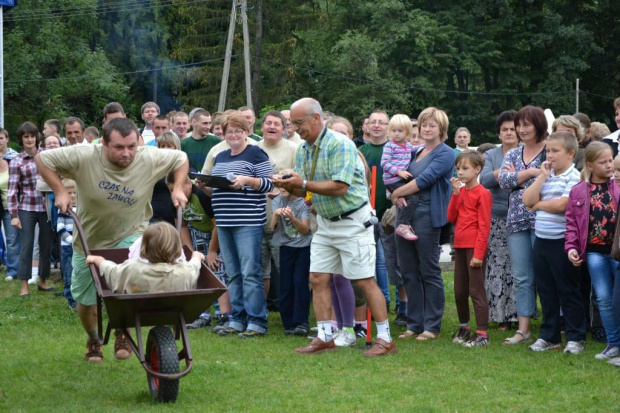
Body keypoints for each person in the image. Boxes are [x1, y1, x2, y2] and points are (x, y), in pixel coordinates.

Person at [36, 117, 189, 363]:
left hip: (132, 234)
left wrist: (179, 187)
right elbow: (42, 159)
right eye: (119, 147)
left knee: (128, 289)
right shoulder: (85, 155)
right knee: (86, 300)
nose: (127, 153)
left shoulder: (148, 157)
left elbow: (180, 159)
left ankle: (122, 331)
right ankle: (94, 338)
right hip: (88, 238)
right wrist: (60, 190)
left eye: (131, 146)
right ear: (103, 144)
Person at [274, 97, 396, 357]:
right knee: (317, 278)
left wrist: (303, 184)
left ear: (316, 118)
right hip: (326, 223)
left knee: (364, 281)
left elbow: (340, 186)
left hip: (352, 221)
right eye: (292, 124)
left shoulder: (340, 144)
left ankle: (385, 339)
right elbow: (302, 186)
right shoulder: (304, 149)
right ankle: (325, 336)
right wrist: (283, 184)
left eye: (299, 122)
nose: (294, 129)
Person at [206, 112, 274, 339]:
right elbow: (215, 188)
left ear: (246, 132)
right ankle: (237, 318)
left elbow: (270, 185)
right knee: (232, 273)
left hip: (248, 222)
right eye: (229, 131)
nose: (233, 135)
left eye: (238, 130)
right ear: (223, 134)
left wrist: (247, 180)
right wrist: (205, 184)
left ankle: (257, 320)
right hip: (224, 221)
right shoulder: (221, 156)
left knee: (250, 273)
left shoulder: (256, 153)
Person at [391, 107, 455, 341]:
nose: (427, 129)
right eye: (423, 125)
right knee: (408, 271)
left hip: (427, 216)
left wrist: (396, 192)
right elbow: (401, 176)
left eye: (432, 126)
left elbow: (424, 180)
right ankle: (413, 323)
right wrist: (397, 194)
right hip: (404, 216)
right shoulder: (415, 151)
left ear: (441, 130)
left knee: (428, 270)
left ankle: (432, 325)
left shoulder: (445, 153)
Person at [522, 131, 585, 353]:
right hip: (542, 240)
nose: (550, 155)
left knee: (568, 290)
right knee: (546, 290)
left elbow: (563, 205)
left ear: (570, 153)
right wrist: (541, 177)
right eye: (548, 150)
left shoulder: (575, 177)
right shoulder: (546, 175)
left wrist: (538, 205)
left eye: (555, 151)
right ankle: (549, 336)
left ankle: (576, 337)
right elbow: (526, 199)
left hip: (563, 242)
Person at [565, 141, 620, 360]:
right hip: (594, 253)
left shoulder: (618, 187)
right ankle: (613, 343)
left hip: (617, 252)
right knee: (604, 298)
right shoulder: (578, 191)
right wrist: (571, 248)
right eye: (603, 162)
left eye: (610, 161)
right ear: (589, 164)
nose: (608, 166)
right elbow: (571, 224)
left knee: (617, 300)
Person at [498, 105, 547, 345]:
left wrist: (519, 175)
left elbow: (553, 179)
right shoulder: (512, 153)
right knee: (521, 276)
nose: (521, 129)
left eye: (527, 124)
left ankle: (553, 324)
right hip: (516, 220)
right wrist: (533, 173)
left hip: (545, 221)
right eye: (519, 125)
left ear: (539, 125)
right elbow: (504, 181)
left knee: (546, 274)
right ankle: (524, 328)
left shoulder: (550, 150)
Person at [165, 172, 231, 331]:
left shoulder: (201, 195)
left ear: (189, 184)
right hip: (197, 233)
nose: (175, 193)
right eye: (171, 190)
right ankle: (202, 315)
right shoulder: (175, 200)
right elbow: (181, 226)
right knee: (197, 270)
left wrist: (212, 251)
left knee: (217, 270)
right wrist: (190, 251)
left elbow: (218, 224)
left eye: (177, 188)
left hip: (215, 234)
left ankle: (225, 315)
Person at [479, 110, 519, 330]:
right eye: (504, 129)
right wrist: (503, 172)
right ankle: (501, 316)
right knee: (497, 266)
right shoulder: (492, 155)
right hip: (497, 217)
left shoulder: (525, 152)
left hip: (521, 216)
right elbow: (484, 180)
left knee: (517, 268)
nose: (509, 133)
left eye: (513, 129)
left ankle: (519, 315)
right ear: (499, 133)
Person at [448, 152, 492, 347]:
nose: (460, 172)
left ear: (477, 169)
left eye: (465, 168)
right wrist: (456, 194)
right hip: (460, 245)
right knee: (459, 291)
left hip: (474, 247)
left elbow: (484, 226)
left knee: (476, 291)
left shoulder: (483, 193)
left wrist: (479, 254)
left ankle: (482, 334)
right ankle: (464, 328)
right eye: (458, 168)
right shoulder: (461, 191)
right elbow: (451, 217)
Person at [86, 222, 204, 294]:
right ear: (176, 248)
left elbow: (112, 271)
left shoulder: (132, 268)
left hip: (136, 309)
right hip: (174, 309)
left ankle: (122, 333)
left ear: (145, 247)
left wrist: (99, 260)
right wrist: (197, 256)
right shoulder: (185, 270)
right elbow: (194, 265)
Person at [8, 122, 54, 297]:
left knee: (46, 245)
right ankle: (24, 285)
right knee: (26, 246)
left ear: (37, 137)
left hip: (46, 207)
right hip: (26, 208)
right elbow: (12, 190)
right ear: (21, 139)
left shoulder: (48, 156)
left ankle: (42, 281)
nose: (29, 139)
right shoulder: (16, 161)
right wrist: (14, 214)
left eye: (32, 136)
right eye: (25, 136)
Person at [270, 169, 312, 336]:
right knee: (285, 284)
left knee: (300, 282)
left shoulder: (303, 202)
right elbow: (272, 228)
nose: (282, 187)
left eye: (286, 182)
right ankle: (287, 322)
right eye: (280, 183)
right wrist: (275, 214)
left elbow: (304, 230)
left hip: (303, 247)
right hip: (285, 246)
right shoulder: (278, 201)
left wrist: (293, 219)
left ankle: (301, 321)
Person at [381, 114, 417, 241]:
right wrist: (398, 172)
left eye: (400, 131)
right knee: (412, 198)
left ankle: (406, 221)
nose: (396, 134)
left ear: (407, 132)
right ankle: (403, 224)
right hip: (392, 179)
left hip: (401, 179)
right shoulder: (389, 146)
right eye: (393, 130)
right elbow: (384, 163)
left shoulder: (408, 146)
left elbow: (417, 150)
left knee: (407, 198)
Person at [0, 129, 19, 281]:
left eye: (1, 138)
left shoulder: (15, 158)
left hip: (12, 206)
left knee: (12, 240)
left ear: (7, 139)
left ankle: (12, 270)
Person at [57, 179, 77, 311]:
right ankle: (71, 300)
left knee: (79, 273)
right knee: (68, 273)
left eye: (75, 192)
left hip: (80, 247)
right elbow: (60, 229)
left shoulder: (81, 209)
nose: (73, 195)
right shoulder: (63, 211)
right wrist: (71, 240)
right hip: (68, 246)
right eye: (69, 193)